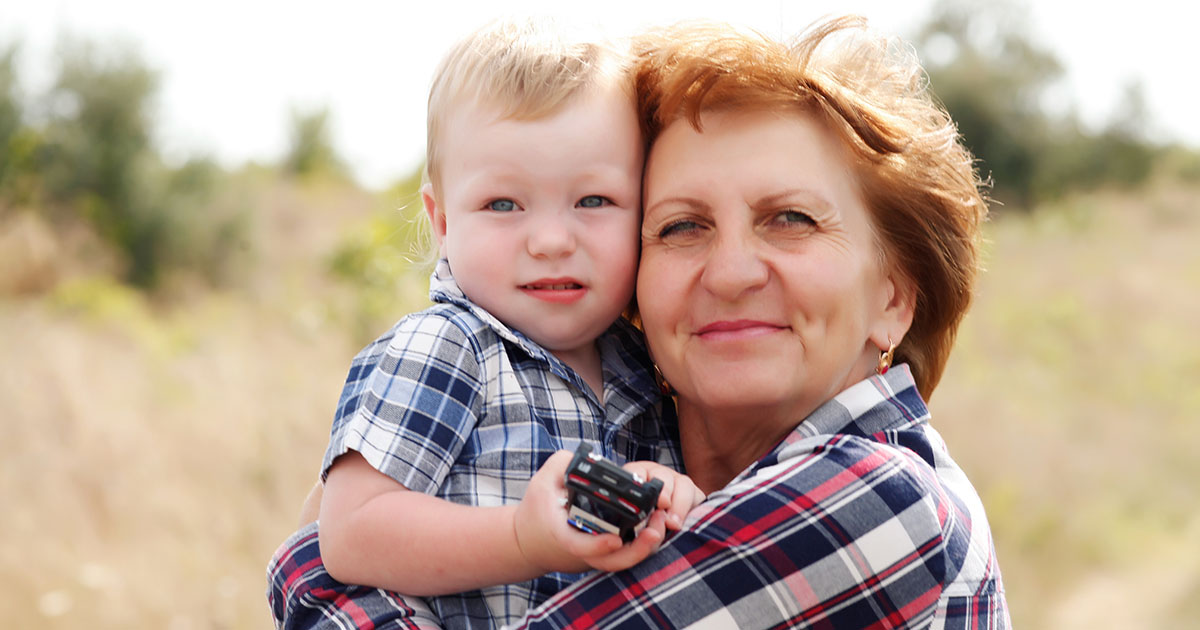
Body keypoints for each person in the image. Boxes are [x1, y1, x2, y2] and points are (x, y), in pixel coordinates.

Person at [269, 15, 1010, 629]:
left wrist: (308, 560)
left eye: (790, 219)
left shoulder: (878, 503)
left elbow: (337, 545)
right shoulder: (610, 409)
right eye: (682, 227)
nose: (729, 272)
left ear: (894, 295)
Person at [284, 17, 703, 630]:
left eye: (594, 201)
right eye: (502, 205)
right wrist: (520, 537)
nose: (552, 239)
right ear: (444, 221)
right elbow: (349, 532)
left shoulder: (646, 365)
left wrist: (670, 498)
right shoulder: (449, 348)